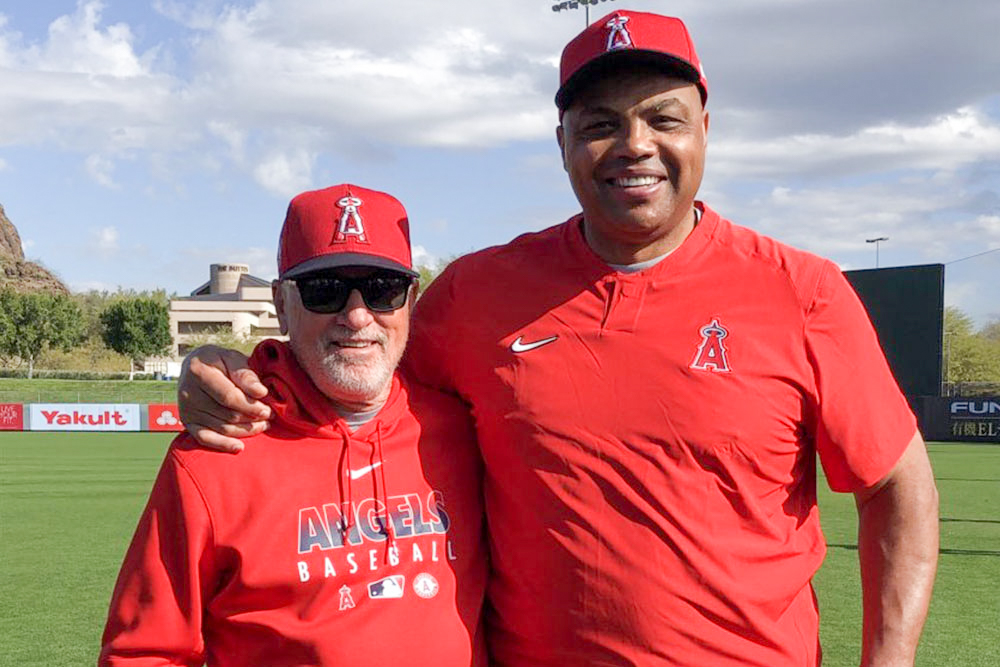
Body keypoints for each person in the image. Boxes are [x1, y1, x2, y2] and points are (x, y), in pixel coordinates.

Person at [178, 11, 939, 667]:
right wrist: (219, 370)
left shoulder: (800, 291)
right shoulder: (477, 296)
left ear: (706, 127)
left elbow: (898, 487)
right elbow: (350, 367)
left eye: (662, 118)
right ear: (563, 142)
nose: (633, 144)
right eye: (601, 124)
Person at [101, 184, 487, 666]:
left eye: (382, 290)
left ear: (411, 300)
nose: (357, 315)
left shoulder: (466, 427)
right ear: (282, 304)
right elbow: (144, 654)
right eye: (324, 291)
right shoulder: (215, 451)